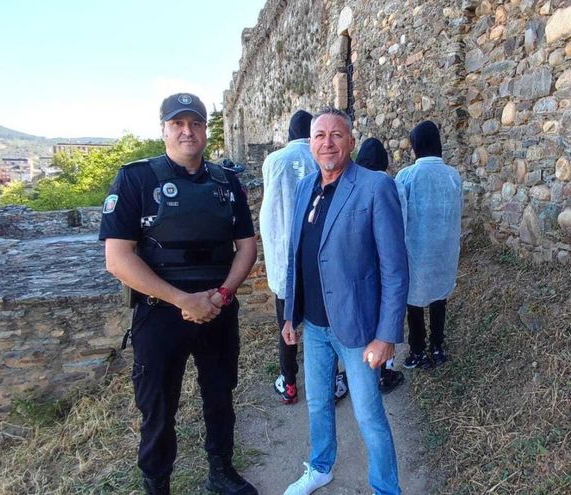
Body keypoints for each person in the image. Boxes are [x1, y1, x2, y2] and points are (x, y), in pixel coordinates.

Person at [99, 93, 258, 495]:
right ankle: (158, 486)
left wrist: (221, 294)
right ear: (164, 129)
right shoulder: (136, 179)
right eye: (178, 123)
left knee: (220, 395)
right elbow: (118, 259)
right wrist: (182, 300)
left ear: (206, 129)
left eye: (196, 123)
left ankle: (221, 472)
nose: (188, 131)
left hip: (218, 309)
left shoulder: (226, 181)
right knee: (157, 406)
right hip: (160, 314)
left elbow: (247, 246)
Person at [281, 107, 409, 495]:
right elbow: (296, 255)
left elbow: (395, 269)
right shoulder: (306, 187)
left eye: (337, 135)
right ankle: (320, 467)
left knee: (369, 415)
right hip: (315, 325)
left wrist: (386, 335)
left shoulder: (374, 187)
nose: (327, 143)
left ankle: (386, 488)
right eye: (319, 136)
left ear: (351, 142)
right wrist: (290, 314)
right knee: (319, 404)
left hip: (358, 330)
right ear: (310, 144)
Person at [260, 110, 349, 405]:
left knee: (287, 325)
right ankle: (333, 380)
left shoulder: (274, 161)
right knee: (326, 322)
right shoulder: (323, 156)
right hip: (317, 257)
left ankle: (289, 382)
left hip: (283, 258)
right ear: (311, 135)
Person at [395, 120, 463, 370]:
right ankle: (437, 346)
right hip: (444, 249)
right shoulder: (453, 176)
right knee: (439, 299)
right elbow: (458, 212)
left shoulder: (407, 176)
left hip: (417, 251)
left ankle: (417, 350)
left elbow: (399, 217)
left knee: (414, 303)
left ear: (415, 147)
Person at [355, 137, 406, 393]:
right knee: (386, 317)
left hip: (363, 269)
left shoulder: (353, 188)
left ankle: (363, 367)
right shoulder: (391, 186)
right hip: (387, 264)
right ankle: (385, 371)